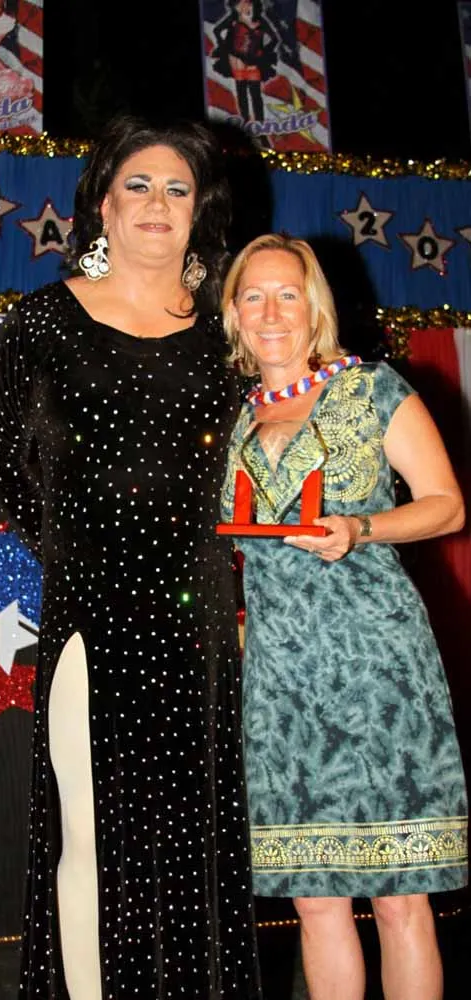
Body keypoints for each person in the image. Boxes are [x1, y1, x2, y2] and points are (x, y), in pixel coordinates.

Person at [0, 115, 262, 1000]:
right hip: (90, 613)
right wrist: (70, 550)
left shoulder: (232, 322)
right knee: (89, 828)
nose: (156, 202)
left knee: (193, 835)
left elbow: (279, 444)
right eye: (137, 184)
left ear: (199, 208)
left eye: (177, 188)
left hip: (199, 615)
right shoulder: (45, 318)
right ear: (102, 204)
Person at [220, 233, 468, 1000]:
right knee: (314, 897)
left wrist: (360, 528)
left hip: (376, 667)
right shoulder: (236, 417)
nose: (270, 312)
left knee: (397, 898)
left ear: (314, 308)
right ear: (232, 313)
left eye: (286, 295)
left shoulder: (371, 388)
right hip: (281, 678)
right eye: (253, 296)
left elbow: (446, 505)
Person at [212, 0, 279, 125]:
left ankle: (260, 124)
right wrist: (226, 49)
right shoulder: (233, 19)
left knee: (255, 94)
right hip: (237, 62)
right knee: (241, 93)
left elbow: (275, 39)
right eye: (240, 4)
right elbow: (217, 30)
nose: (243, 6)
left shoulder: (260, 21)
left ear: (253, 4)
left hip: (254, 62)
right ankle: (245, 122)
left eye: (247, 3)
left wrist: (263, 53)